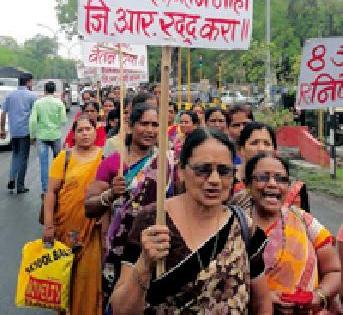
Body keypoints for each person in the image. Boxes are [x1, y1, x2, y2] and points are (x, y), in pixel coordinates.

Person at [110, 127, 272, 314]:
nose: (214, 180)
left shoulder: (243, 226)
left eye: (224, 171)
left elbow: (262, 302)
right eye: (203, 170)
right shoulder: (153, 220)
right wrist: (145, 264)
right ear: (181, 171)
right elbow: (121, 309)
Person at [84, 103, 175, 310]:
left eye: (155, 125)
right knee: (120, 302)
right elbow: (89, 208)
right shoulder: (114, 163)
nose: (150, 130)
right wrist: (110, 194)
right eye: (144, 124)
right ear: (131, 126)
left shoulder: (167, 162)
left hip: (156, 245)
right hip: (120, 247)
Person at [245, 153, 341, 314]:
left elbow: (333, 270)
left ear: (288, 187)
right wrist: (264, 298)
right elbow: (223, 285)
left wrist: (318, 296)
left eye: (281, 179)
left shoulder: (304, 221)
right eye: (262, 177)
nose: (272, 184)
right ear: (248, 184)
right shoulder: (236, 226)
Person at [43, 115, 103, 315]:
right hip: (65, 229)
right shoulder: (64, 158)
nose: (85, 133)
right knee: (64, 275)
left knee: (88, 280)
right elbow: (50, 192)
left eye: (88, 129)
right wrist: (49, 226)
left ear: (96, 132)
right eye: (80, 130)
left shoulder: (104, 158)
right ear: (74, 134)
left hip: (93, 229)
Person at [233, 121, 310, 212]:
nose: (261, 148)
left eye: (267, 143)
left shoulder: (292, 189)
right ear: (241, 150)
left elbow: (301, 223)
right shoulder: (229, 183)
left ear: (274, 150)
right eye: (254, 143)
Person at [0, 72, 37, 193]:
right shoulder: (31, 96)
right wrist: (35, 134)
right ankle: (20, 186)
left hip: (14, 131)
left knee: (15, 156)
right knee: (23, 158)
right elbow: (35, 116)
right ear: (28, 82)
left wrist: (2, 129)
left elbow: (3, 113)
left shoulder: (10, 95)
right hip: (25, 132)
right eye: (31, 82)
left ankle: (12, 178)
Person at [29, 80, 67, 193]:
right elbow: (64, 120)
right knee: (58, 162)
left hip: (41, 136)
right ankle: (57, 186)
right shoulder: (59, 103)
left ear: (45, 90)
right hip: (55, 135)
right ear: (54, 90)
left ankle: (46, 189)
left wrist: (32, 135)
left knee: (44, 163)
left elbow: (33, 121)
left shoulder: (38, 103)